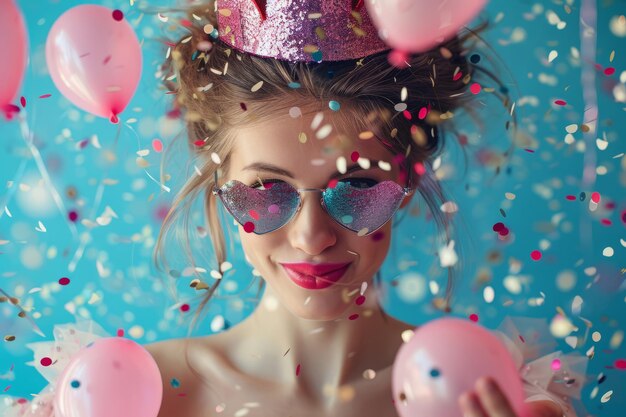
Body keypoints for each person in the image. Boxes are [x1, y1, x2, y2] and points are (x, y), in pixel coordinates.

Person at [0, 0, 587, 416]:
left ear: (408, 179)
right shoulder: (117, 401)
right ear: (217, 180)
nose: (312, 237)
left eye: (357, 186)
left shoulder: (491, 402)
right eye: (265, 191)